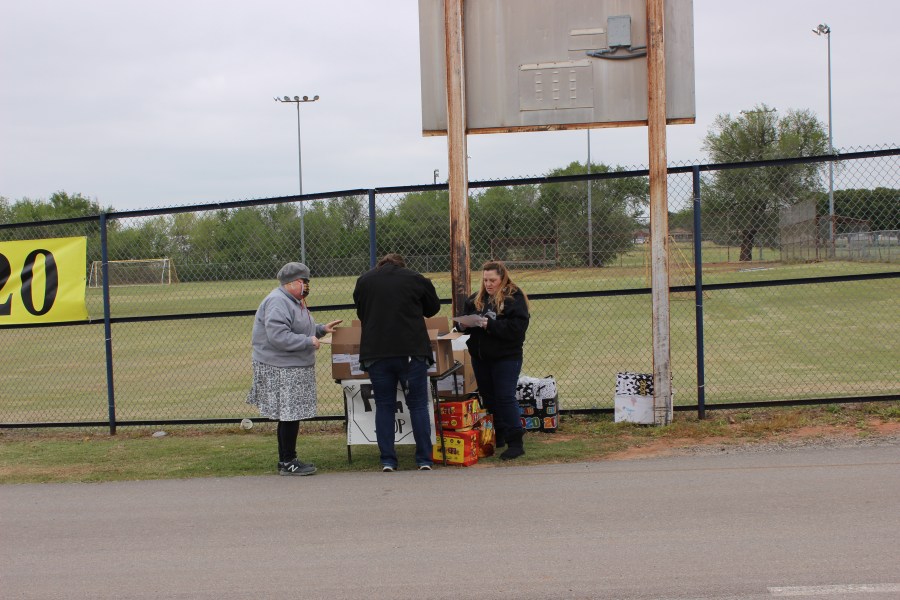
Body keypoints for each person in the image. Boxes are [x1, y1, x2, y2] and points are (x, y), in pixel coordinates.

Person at [247, 262, 342, 476]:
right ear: (290, 283)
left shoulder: (293, 301)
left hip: (292, 365)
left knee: (290, 415)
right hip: (281, 367)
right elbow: (278, 336)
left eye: (307, 281)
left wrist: (320, 330)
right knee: (289, 414)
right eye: (303, 281)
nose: (306, 285)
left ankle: (286, 460)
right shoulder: (278, 301)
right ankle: (288, 461)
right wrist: (308, 341)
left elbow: (299, 328)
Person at [352, 253, 441, 472]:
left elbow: (362, 312)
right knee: (418, 405)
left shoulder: (364, 281)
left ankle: (388, 460)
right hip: (410, 351)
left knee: (384, 405)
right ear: (402, 265)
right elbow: (432, 309)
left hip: (376, 352)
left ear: (380, 265)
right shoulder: (415, 278)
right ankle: (424, 459)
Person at [459, 260, 530, 460]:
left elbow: (517, 330)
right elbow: (462, 324)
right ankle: (497, 435)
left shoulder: (514, 298)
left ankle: (515, 442)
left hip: (506, 357)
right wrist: (462, 326)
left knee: (505, 397)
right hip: (480, 358)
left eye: (492, 280)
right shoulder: (475, 299)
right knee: (488, 397)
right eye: (485, 280)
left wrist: (488, 325)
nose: (488, 284)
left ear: (502, 278)